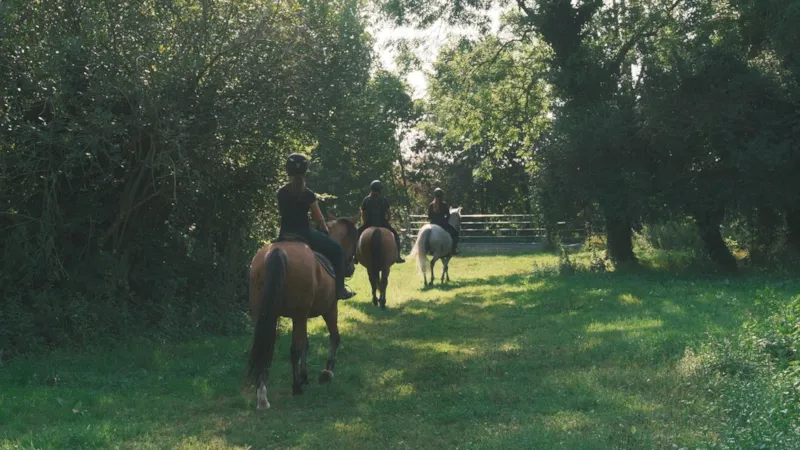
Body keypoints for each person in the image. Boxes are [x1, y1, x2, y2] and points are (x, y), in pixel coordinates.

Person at [276, 153, 355, 300]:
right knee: (337, 250)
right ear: (306, 171)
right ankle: (340, 290)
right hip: (305, 234)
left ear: (288, 170)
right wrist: (324, 228)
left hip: (284, 233)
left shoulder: (281, 192)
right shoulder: (308, 194)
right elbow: (319, 218)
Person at [356, 180, 405, 263]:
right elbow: (389, 213)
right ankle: (398, 256)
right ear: (380, 190)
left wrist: (364, 222)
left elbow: (363, 214)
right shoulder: (383, 200)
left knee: (356, 235)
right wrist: (388, 221)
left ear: (371, 189)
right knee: (396, 235)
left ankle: (355, 256)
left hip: (369, 223)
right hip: (383, 223)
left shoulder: (366, 200)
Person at [428, 187, 460, 255]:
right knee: (455, 234)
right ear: (442, 196)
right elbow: (448, 215)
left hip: (432, 225)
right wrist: (444, 220)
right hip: (442, 225)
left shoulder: (431, 205)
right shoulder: (444, 204)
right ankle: (453, 250)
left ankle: (429, 249)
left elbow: (429, 216)